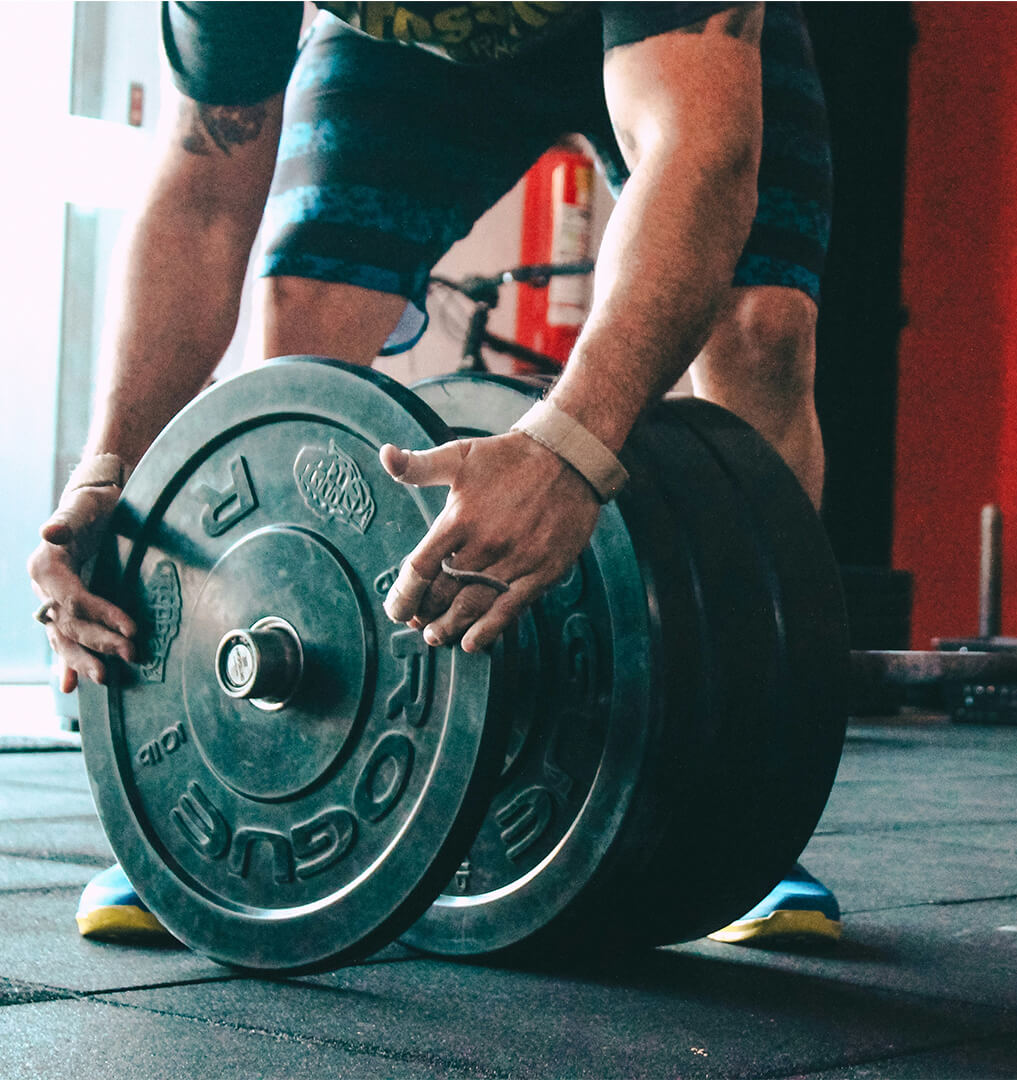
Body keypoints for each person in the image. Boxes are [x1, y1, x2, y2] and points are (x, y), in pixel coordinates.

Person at [29, 2, 839, 947]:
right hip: (407, 60)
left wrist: (570, 450)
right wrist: (110, 472)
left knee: (761, 328)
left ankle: (743, 816)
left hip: (670, 45)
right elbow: (205, 194)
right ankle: (248, 795)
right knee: (306, 311)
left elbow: (698, 157)